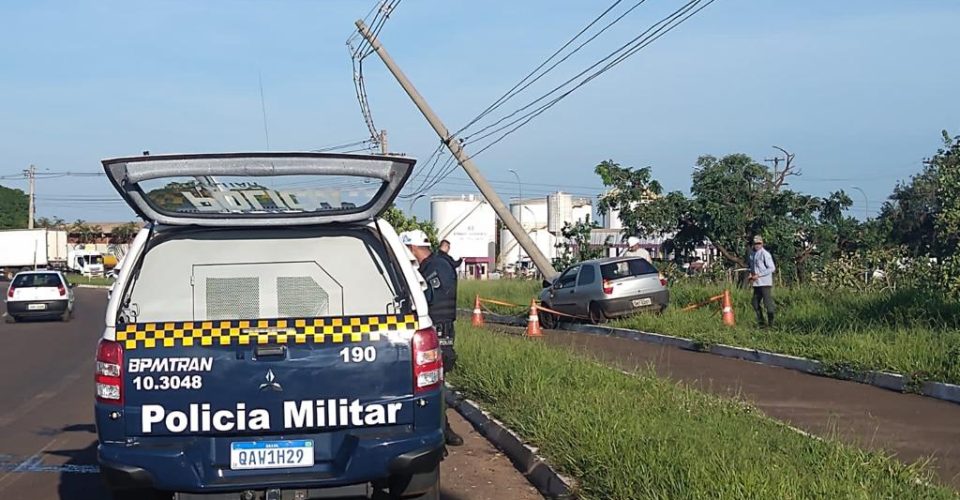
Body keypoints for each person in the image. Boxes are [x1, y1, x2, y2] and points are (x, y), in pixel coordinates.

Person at [399, 230, 464, 447]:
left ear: (411, 249)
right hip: (434, 328)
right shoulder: (435, 265)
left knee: (433, 381)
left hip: (439, 329)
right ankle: (441, 429)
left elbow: (427, 297)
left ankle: (440, 431)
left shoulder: (435, 268)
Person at [748, 235, 776, 327]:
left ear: (762, 243)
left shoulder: (765, 254)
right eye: (755, 243)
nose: (757, 245)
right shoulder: (752, 254)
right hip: (757, 284)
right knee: (755, 303)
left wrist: (758, 275)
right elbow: (753, 267)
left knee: (768, 304)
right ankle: (761, 323)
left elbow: (771, 268)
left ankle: (771, 325)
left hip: (765, 283)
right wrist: (751, 274)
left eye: (759, 243)